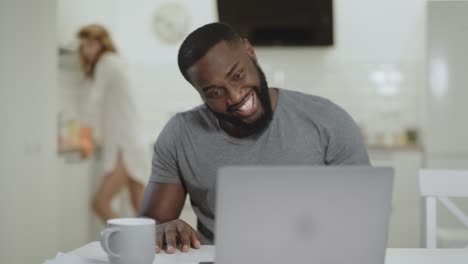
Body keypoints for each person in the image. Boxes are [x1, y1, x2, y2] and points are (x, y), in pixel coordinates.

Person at [139, 22, 370, 253]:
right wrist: (164, 230)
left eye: (237, 75)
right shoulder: (181, 134)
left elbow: (363, 220)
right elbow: (150, 227)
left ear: (250, 52)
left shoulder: (328, 120)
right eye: (215, 93)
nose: (236, 96)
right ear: (199, 92)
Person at [77, 24, 149, 222]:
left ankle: (129, 244)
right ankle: (149, 248)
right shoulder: (115, 63)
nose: (86, 50)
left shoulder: (106, 62)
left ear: (102, 44)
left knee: (100, 204)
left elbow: (95, 100)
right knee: (142, 211)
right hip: (133, 142)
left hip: (126, 147)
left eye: (91, 44)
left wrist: (84, 135)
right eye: (83, 45)